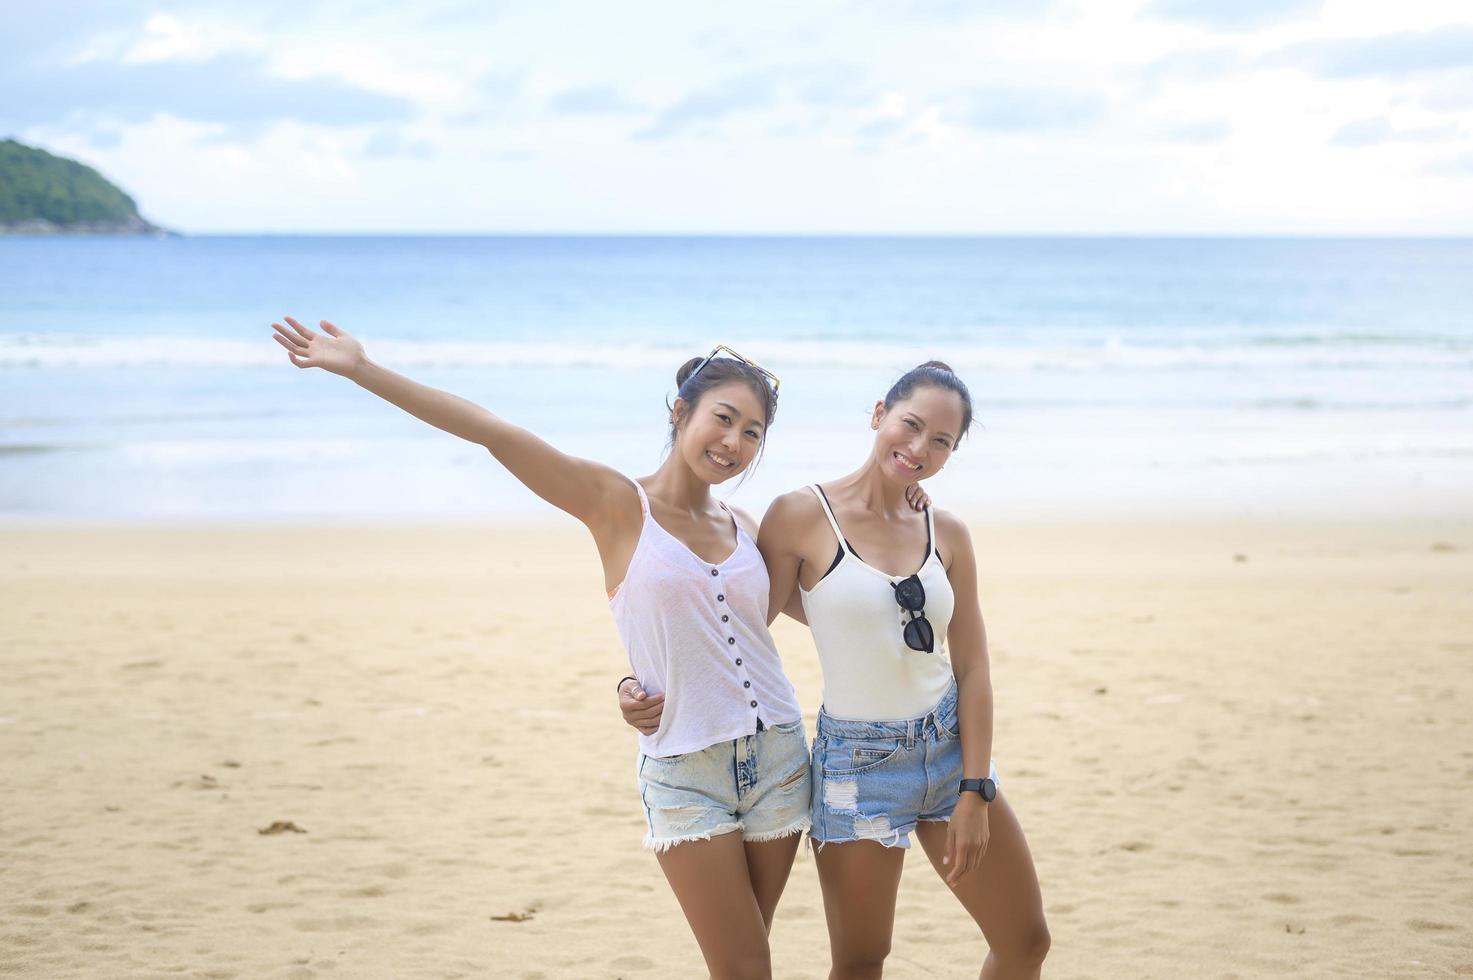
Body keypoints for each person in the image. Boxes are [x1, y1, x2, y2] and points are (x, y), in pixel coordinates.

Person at [268, 319, 917, 979]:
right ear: (680, 410)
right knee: (744, 966)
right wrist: (361, 369)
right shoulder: (614, 504)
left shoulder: (746, 526)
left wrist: (899, 500)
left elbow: (839, 609)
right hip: (685, 769)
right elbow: (492, 429)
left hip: (778, 755)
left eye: (752, 432)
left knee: (751, 955)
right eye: (722, 418)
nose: (733, 442)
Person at [621, 361, 1050, 979]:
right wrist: (634, 684)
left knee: (1026, 941)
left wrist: (976, 788)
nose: (919, 448)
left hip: (953, 748)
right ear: (879, 414)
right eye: (910, 425)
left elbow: (974, 667)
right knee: (860, 962)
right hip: (857, 765)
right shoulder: (800, 515)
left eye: (941, 442)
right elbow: (728, 625)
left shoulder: (946, 529)